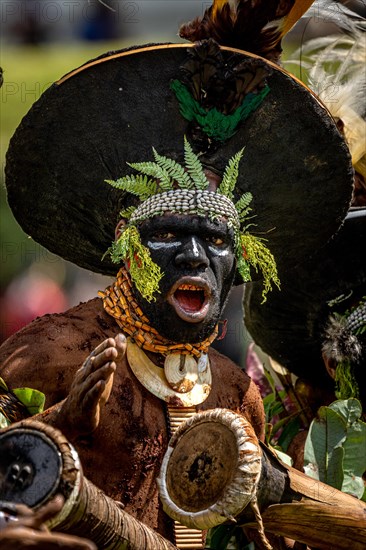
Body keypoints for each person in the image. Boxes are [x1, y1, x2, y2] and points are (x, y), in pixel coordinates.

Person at [0, 3, 355, 548]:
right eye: (168, 235)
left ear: (240, 259)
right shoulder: (51, 352)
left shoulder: (237, 391)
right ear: (126, 240)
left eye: (216, 242)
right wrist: (59, 423)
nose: (195, 258)